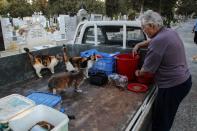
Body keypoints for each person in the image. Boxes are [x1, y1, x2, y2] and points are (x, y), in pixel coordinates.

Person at [133, 10, 192, 131]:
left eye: (144, 27)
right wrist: (139, 44)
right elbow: (152, 41)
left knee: (161, 121)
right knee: (167, 116)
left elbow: (147, 71)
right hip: (184, 81)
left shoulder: (158, 41)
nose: (143, 30)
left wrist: (137, 72)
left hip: (172, 86)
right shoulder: (169, 32)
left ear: (152, 26)